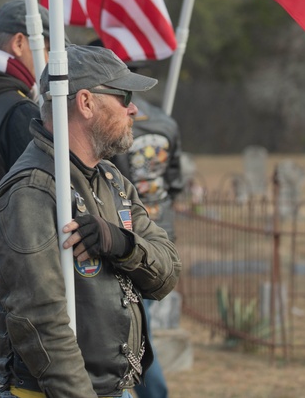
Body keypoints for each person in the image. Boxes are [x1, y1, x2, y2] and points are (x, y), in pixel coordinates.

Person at [0, 44, 181, 398]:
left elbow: (167, 273)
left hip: (114, 389)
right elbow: (41, 325)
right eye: (124, 95)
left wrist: (123, 245)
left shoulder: (111, 179)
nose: (133, 108)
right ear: (86, 102)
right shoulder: (31, 193)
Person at [110, 81, 183, 398]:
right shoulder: (166, 122)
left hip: (128, 231)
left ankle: (155, 392)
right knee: (142, 322)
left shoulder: (114, 122)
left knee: (141, 330)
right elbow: (175, 182)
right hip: (159, 227)